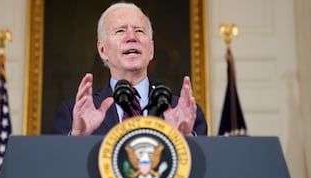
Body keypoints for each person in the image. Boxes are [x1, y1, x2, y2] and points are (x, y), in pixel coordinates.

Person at [52, 2, 207, 136]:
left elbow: (204, 166)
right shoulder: (74, 114)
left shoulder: (184, 114)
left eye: (139, 30)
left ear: (151, 49)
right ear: (102, 50)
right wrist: (78, 137)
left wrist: (186, 140)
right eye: (120, 31)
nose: (132, 37)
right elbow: (59, 166)